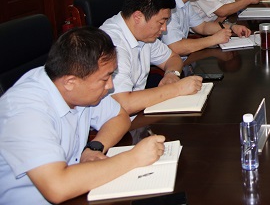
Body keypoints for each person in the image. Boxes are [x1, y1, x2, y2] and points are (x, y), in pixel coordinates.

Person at [0, 27, 166, 204]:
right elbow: (57, 188)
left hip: (78, 189)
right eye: (105, 79)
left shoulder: (75, 84)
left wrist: (94, 148)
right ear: (70, 82)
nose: (110, 86)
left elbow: (119, 117)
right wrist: (134, 158)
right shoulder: (25, 112)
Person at [100, 0, 203, 115]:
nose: (164, 28)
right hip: (120, 120)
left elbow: (172, 58)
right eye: (161, 22)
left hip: (140, 112)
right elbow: (123, 104)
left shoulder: (144, 34)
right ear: (138, 17)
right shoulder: (113, 43)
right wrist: (176, 89)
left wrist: (171, 74)